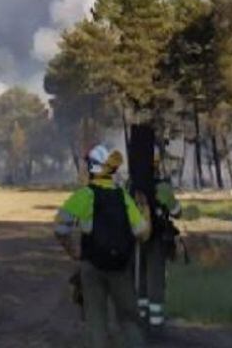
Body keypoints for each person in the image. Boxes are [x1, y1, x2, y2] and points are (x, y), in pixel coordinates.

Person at [55, 143, 151, 348]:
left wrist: (73, 251)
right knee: (128, 319)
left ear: (91, 169)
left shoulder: (84, 195)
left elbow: (61, 228)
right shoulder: (122, 196)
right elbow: (142, 232)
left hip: (91, 267)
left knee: (96, 320)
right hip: (120, 268)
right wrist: (146, 214)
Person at [137, 152, 182, 330]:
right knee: (156, 280)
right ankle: (156, 323)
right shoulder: (162, 187)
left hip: (136, 239)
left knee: (140, 278)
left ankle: (141, 316)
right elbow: (177, 211)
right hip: (156, 240)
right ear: (156, 166)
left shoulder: (131, 185)